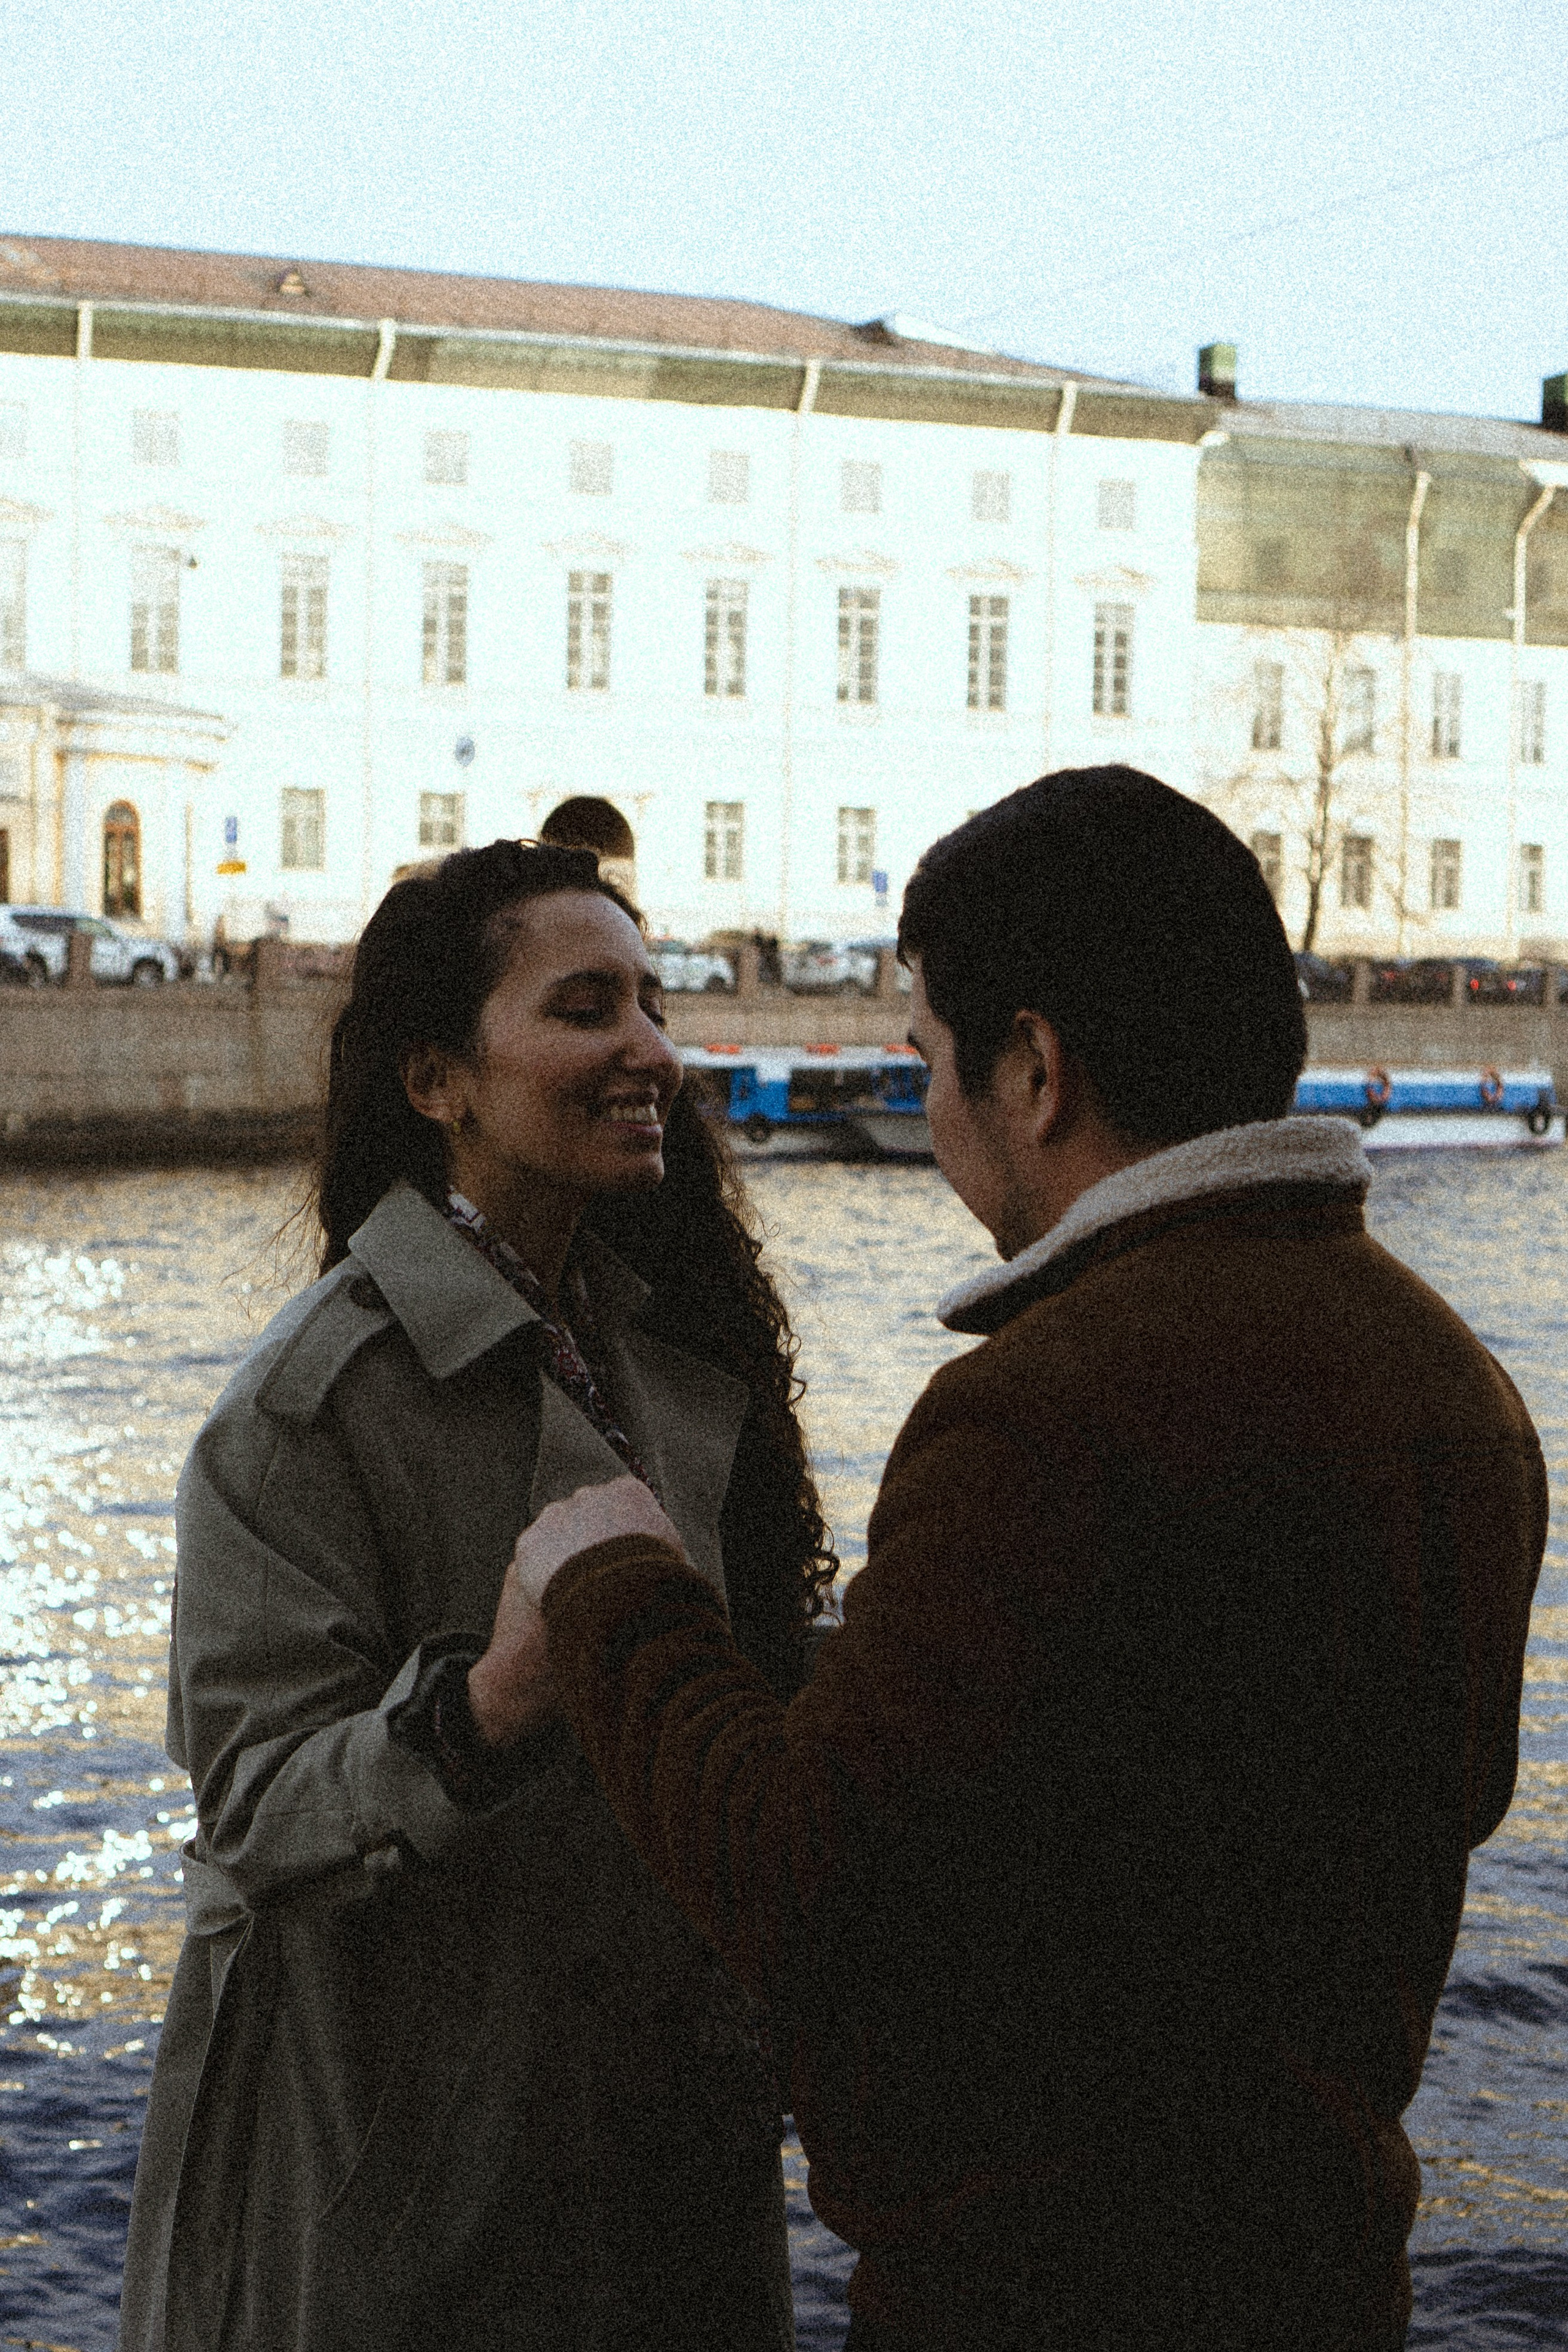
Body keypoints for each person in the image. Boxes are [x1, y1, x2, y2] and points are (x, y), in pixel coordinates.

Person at [489, 767, 1546, 2352]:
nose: (928, 1124)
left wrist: (611, 1581)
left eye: (928, 1069)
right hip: (1321, 2277)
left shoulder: (1048, 1411)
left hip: (1048, 2293)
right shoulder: (1451, 1381)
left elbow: (806, 1884)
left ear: (1034, 1070)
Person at [119, 839, 833, 2352]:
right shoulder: (308, 1408)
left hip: (640, 2145)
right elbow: (250, 1806)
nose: (649, 1046)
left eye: (648, 1001)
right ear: (438, 1079)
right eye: (585, 1009)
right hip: (426, 2190)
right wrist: (489, 1702)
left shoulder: (649, 1341)